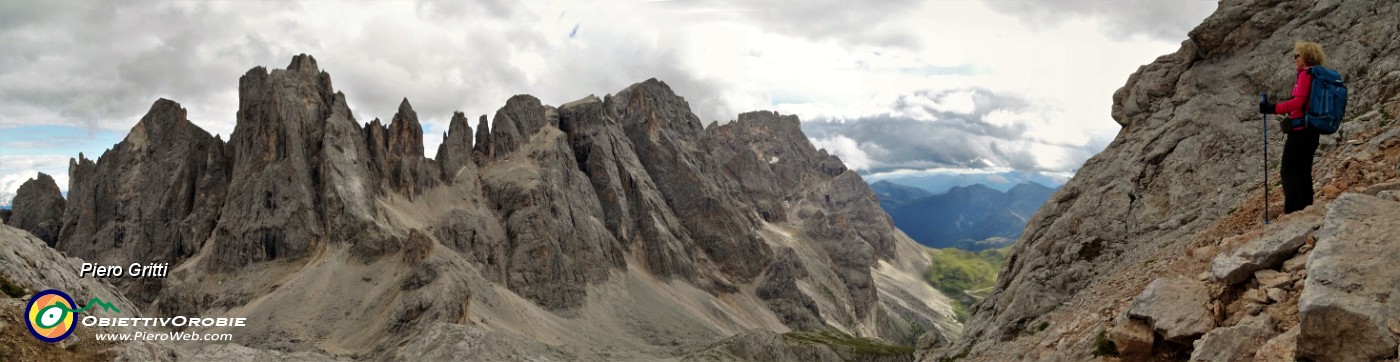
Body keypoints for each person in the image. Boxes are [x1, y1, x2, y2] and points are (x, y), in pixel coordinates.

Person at [1259, 41, 1326, 214]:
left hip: (1300, 132)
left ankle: (1294, 211)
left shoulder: (1305, 75)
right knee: (1303, 171)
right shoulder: (1317, 75)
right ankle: (1307, 207)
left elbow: (1298, 102)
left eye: (1297, 55)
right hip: (1312, 131)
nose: (1294, 59)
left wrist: (1272, 108)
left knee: (1288, 171)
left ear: (1306, 58)